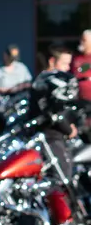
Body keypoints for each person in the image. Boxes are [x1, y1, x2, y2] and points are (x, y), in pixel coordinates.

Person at [33, 44, 78, 179]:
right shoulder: (51, 82)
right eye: (64, 64)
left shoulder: (40, 79)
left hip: (45, 137)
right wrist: (70, 130)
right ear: (52, 61)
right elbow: (56, 113)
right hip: (52, 138)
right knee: (63, 178)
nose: (68, 68)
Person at [70, 30, 91, 102]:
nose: (81, 42)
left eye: (84, 40)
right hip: (77, 98)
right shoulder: (75, 57)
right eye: (81, 39)